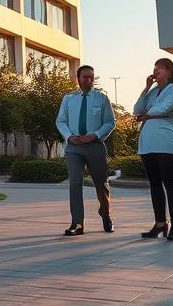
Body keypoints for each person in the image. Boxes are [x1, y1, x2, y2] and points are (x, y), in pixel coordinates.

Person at [54, 64, 116, 235]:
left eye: (91, 77)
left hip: (94, 146)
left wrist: (95, 135)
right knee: (74, 182)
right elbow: (60, 121)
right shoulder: (68, 98)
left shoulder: (102, 98)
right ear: (78, 78)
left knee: (101, 183)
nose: (89, 80)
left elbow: (110, 122)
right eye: (85, 77)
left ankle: (106, 216)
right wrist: (69, 136)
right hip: (73, 147)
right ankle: (77, 223)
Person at [134, 57, 173, 241]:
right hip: (147, 144)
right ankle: (159, 224)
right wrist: (146, 88)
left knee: (169, 183)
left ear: (169, 72)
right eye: (154, 69)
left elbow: (164, 109)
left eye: (159, 69)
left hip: (166, 143)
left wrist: (145, 116)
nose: (155, 72)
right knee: (155, 184)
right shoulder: (153, 92)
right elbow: (137, 109)